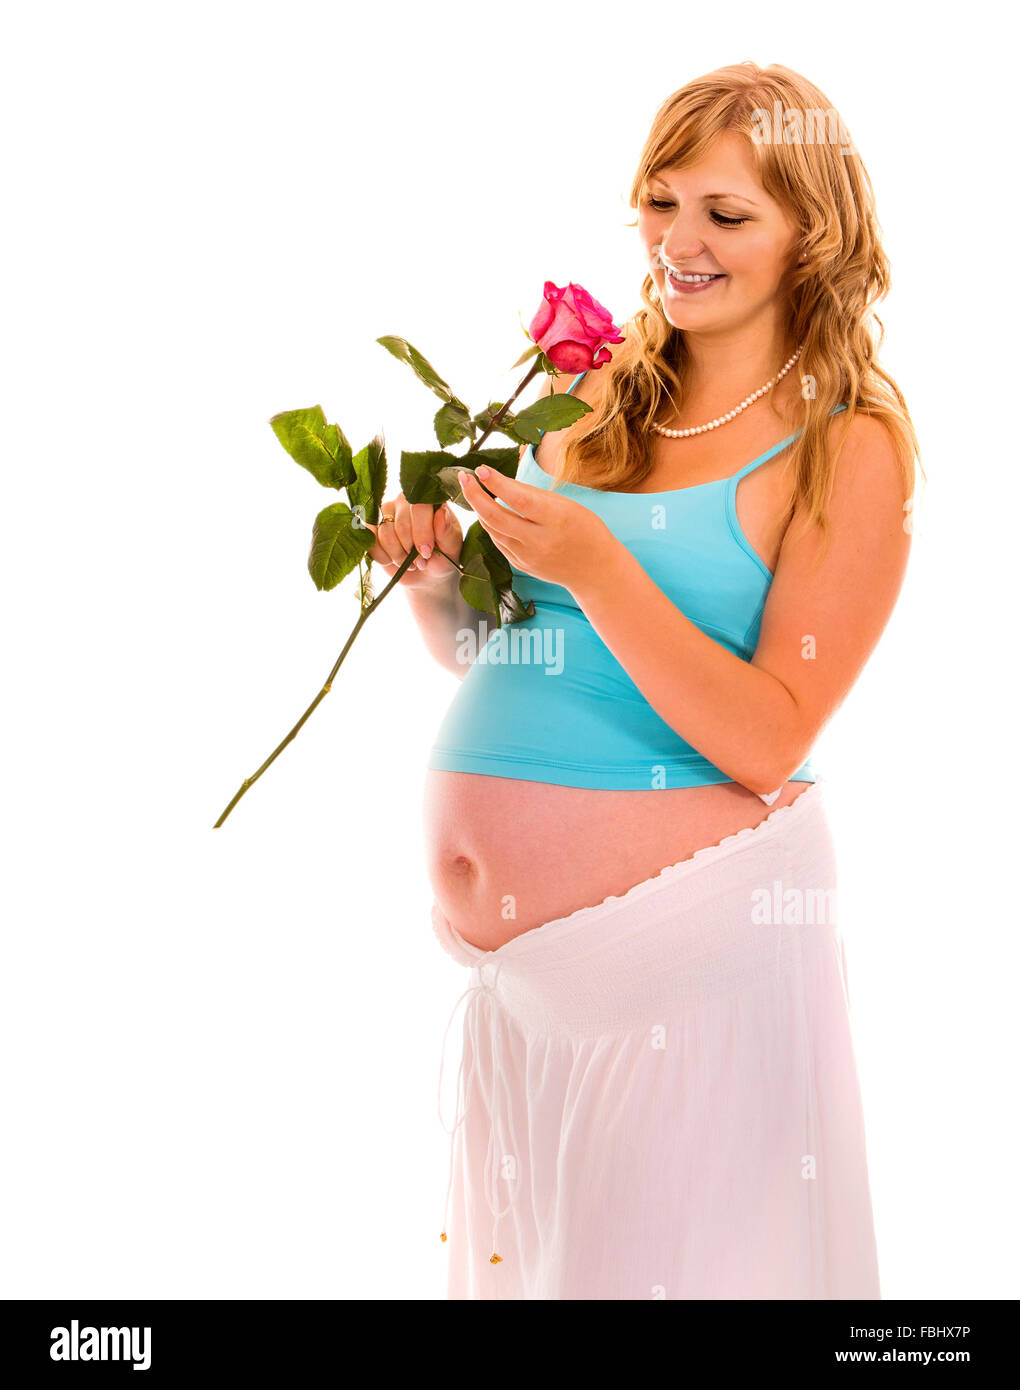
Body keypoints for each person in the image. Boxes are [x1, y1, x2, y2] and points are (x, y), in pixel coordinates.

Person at [367, 60, 919, 1300]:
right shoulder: (594, 398)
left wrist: (606, 566)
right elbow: (509, 657)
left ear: (812, 239)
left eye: (727, 215)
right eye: (662, 203)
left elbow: (771, 736)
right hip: (524, 998)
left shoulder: (847, 443)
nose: (681, 242)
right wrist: (435, 585)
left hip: (688, 968)